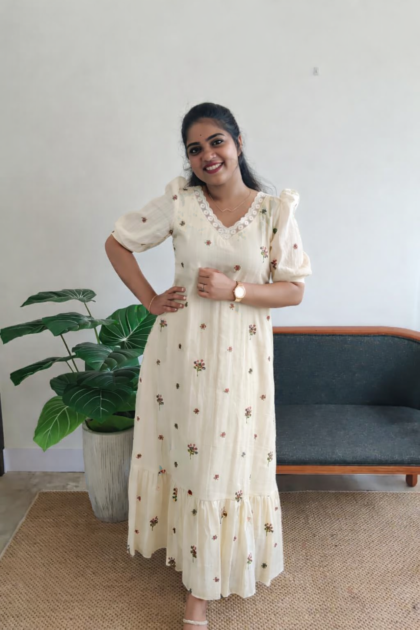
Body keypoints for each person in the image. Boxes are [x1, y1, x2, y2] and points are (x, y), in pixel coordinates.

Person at [105, 102, 312, 629]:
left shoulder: (273, 213)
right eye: (195, 148)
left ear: (238, 143)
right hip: (180, 354)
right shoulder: (180, 202)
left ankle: (211, 575)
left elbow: (293, 290)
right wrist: (150, 299)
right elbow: (118, 243)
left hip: (241, 360)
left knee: (229, 462)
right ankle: (197, 584)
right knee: (192, 459)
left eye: (216, 141)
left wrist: (235, 289)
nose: (207, 155)